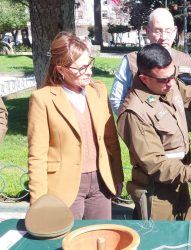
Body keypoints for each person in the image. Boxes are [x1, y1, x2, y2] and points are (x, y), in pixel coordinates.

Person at [117, 44, 191, 221]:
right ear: (144, 78)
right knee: (161, 241)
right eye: (164, 80)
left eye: (173, 75)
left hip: (178, 180)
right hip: (156, 191)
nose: (171, 82)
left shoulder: (166, 83)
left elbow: (190, 94)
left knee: (183, 236)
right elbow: (155, 164)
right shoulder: (134, 112)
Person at [27, 31, 124, 220]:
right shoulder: (43, 99)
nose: (88, 71)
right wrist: (39, 203)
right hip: (64, 187)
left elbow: (111, 140)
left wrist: (117, 176)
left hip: (101, 183)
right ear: (60, 69)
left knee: (100, 238)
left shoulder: (98, 91)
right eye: (80, 68)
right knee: (67, 241)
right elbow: (36, 156)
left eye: (89, 64)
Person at [110, 8, 191, 131]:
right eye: (158, 31)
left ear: (175, 31)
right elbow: (117, 99)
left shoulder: (185, 60)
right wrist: (134, 125)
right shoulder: (132, 61)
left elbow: (190, 95)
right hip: (146, 135)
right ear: (147, 31)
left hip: (180, 137)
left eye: (168, 31)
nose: (163, 37)